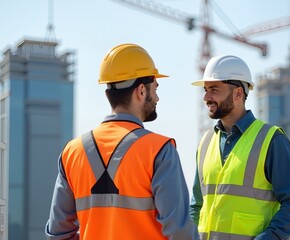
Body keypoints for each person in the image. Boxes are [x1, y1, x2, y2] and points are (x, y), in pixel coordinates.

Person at [45, 43, 199, 240]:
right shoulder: (160, 150)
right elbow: (180, 233)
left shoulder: (72, 152)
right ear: (141, 91)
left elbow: (58, 234)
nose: (158, 97)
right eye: (155, 88)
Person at [189, 55, 290, 240]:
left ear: (238, 93)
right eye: (205, 90)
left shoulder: (272, 140)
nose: (206, 97)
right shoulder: (205, 142)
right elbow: (196, 205)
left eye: (214, 90)